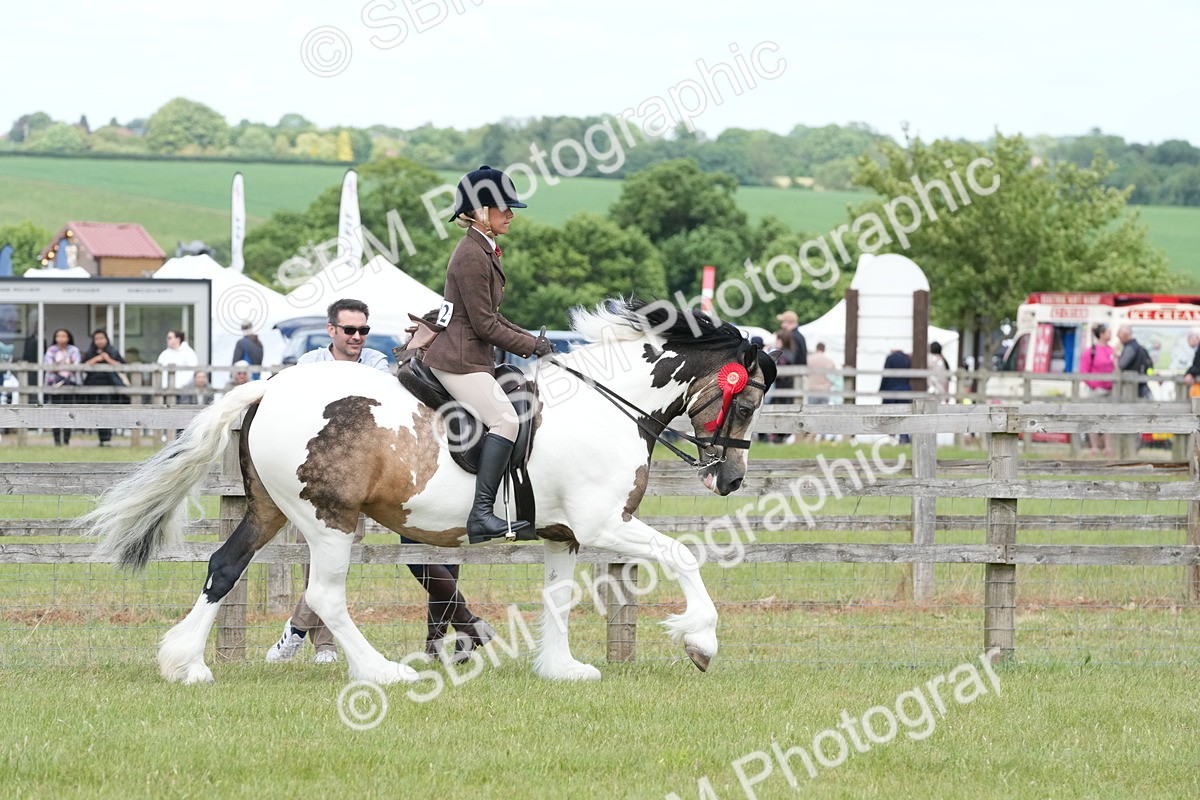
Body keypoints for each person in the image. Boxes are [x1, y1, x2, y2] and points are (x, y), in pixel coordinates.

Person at [267, 298, 494, 664]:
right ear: (332, 330)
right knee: (325, 557)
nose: (358, 337)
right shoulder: (309, 365)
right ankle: (319, 642)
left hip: (385, 468)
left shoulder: (375, 363)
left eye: (364, 330)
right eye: (350, 330)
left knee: (427, 552)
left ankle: (446, 637)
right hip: (328, 472)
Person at [421, 165, 553, 544]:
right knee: (506, 422)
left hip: (472, 355)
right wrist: (530, 347)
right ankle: (481, 514)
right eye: (503, 207)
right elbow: (483, 326)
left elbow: (494, 316)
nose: (511, 213)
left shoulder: (484, 248)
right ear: (480, 211)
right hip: (459, 360)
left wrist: (531, 338)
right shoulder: (471, 255)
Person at [81, 329, 127, 446]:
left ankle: (107, 439)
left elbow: (122, 366)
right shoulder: (90, 353)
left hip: (110, 386)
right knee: (96, 413)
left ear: (106, 339)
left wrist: (107, 359)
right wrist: (96, 359)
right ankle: (100, 439)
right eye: (97, 339)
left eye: (102, 338)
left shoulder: (113, 351)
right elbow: (82, 366)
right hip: (92, 386)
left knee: (107, 412)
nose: (99, 341)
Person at [1079, 322, 1116, 456]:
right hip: (1095, 391)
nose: (1110, 334)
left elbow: (1115, 368)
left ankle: (1107, 446)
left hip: (1109, 391)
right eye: (1108, 332)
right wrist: (1094, 385)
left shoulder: (1111, 350)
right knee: (1093, 418)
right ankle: (1094, 447)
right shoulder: (1091, 351)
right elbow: (1084, 371)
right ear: (1101, 334)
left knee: (1108, 418)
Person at [43, 328, 81, 446]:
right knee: (56, 412)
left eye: (64, 336)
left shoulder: (73, 350)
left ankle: (66, 440)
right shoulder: (51, 350)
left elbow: (76, 366)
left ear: (68, 337)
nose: (61, 338)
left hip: (69, 384)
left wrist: (59, 366)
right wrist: (63, 365)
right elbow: (49, 366)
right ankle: (57, 440)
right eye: (58, 336)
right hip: (54, 385)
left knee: (68, 412)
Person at [880, 348, 912, 444]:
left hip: (891, 388)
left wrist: (882, 389)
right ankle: (904, 438)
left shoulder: (890, 358)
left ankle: (891, 438)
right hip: (904, 388)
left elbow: (886, 375)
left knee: (890, 415)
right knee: (904, 415)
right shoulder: (907, 359)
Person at [1116, 324, 1154, 400]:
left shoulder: (1130, 348)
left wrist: (1116, 357)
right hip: (1143, 385)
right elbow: (1150, 368)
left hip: (1132, 387)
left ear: (1125, 335)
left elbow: (1121, 365)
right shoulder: (1140, 348)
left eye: (1120, 337)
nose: (1119, 340)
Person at [156, 330, 198, 397]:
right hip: (164, 391)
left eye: (170, 338)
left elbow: (192, 371)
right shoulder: (164, 354)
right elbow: (158, 370)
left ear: (178, 339)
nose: (167, 340)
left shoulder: (189, 353)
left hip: (183, 392)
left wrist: (180, 385)